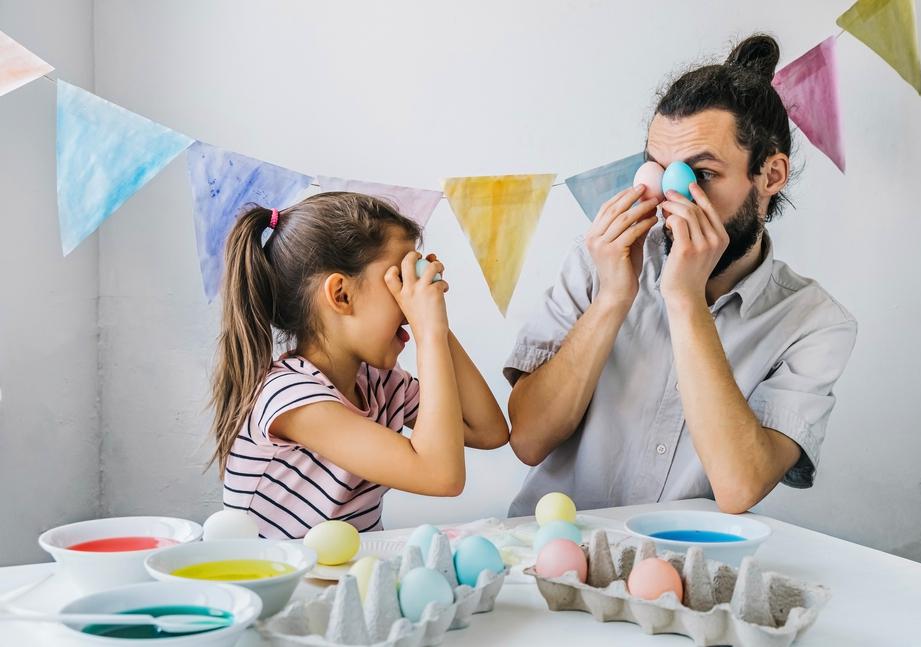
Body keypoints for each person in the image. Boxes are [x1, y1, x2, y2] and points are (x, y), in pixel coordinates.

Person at [505, 34, 858, 516]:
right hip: (552, 553)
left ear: (771, 176)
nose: (673, 200)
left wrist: (686, 298)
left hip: (684, 573)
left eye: (703, 175)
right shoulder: (602, 258)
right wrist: (612, 298)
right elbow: (527, 439)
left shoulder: (814, 323)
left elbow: (739, 487)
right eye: (659, 171)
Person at [210, 192, 508, 538]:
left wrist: (434, 325)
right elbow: (441, 475)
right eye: (398, 279)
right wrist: (428, 331)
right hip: (272, 582)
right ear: (341, 295)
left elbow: (489, 431)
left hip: (342, 578)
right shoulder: (289, 398)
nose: (409, 297)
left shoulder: (380, 384)